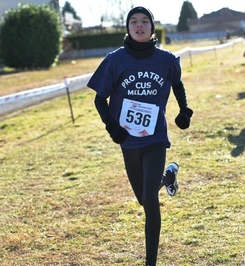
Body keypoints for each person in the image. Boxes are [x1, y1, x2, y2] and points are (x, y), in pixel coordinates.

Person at [87, 6, 193, 266]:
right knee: (143, 198)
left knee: (149, 199)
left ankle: (151, 262)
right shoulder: (115, 60)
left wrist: (184, 110)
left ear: (152, 27)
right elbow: (100, 99)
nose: (139, 25)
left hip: (155, 137)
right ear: (128, 27)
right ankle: (168, 176)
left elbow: (177, 83)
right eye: (133, 21)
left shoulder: (167, 60)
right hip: (128, 140)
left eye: (145, 21)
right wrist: (113, 127)